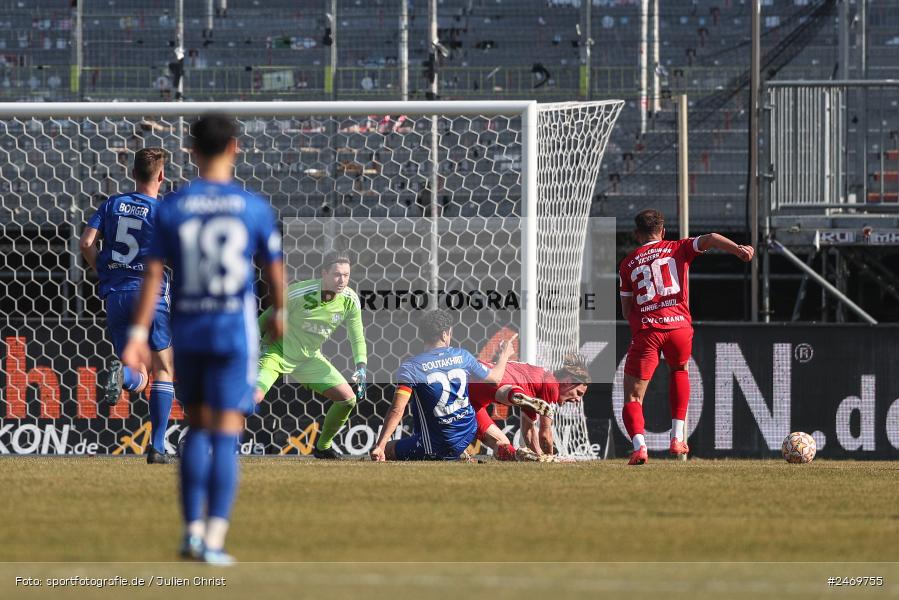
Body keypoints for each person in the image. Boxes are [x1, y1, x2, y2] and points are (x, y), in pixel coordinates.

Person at [122, 113, 285, 564]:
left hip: (190, 328)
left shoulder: (173, 207)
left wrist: (138, 333)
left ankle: (191, 532)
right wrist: (281, 312)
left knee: (196, 427)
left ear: (192, 151)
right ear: (234, 147)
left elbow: (153, 271)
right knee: (228, 429)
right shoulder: (252, 206)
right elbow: (274, 268)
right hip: (234, 330)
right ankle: (214, 539)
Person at [618, 209, 753, 465]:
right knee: (679, 370)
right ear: (663, 231)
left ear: (637, 234)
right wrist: (739, 249)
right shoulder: (678, 247)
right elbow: (711, 237)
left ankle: (639, 448)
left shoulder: (627, 263)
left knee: (633, 397)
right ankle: (677, 438)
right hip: (679, 326)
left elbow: (627, 310)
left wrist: (644, 320)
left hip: (648, 330)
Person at [79, 147, 175, 464]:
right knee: (163, 369)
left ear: (132, 174)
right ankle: (158, 447)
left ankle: (124, 377)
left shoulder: (112, 204)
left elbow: (86, 243)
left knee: (139, 371)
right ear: (161, 176)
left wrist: (103, 272)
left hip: (116, 294)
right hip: (150, 294)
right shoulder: (163, 212)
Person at [255, 251, 367, 459]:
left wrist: (361, 366)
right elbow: (263, 320)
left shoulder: (350, 300)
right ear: (324, 273)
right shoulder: (297, 293)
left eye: (346, 275)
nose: (342, 280)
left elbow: (357, 336)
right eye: (336, 274)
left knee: (347, 400)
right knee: (254, 398)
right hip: (276, 354)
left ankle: (323, 447)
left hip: (308, 359)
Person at [370, 310, 515, 461]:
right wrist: (504, 354)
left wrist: (380, 446)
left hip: (436, 444)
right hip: (469, 432)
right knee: (472, 409)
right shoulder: (462, 355)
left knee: (388, 449)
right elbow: (495, 379)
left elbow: (397, 410)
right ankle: (506, 449)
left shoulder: (411, 367)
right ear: (444, 334)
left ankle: (453, 455)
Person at [470, 353, 590, 461]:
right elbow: (545, 435)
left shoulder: (539, 385)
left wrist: (539, 457)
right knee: (508, 391)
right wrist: (552, 459)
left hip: (472, 396)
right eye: (578, 393)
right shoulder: (552, 385)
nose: (578, 400)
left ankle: (462, 454)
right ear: (568, 382)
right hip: (493, 380)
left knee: (503, 445)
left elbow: (528, 432)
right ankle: (516, 395)